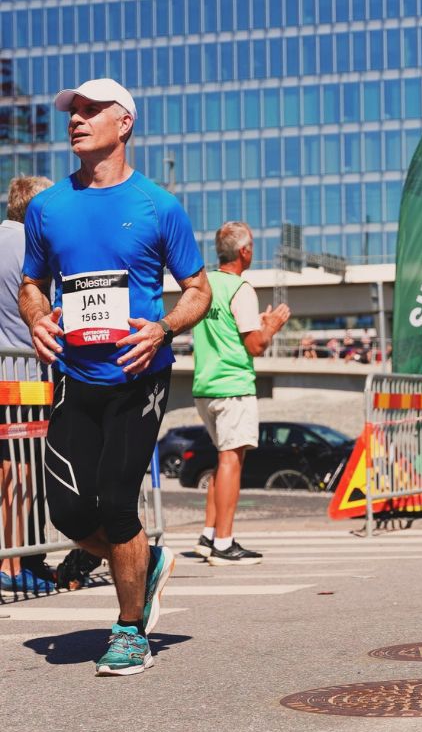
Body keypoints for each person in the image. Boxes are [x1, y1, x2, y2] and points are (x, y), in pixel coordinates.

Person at [21, 77, 211, 675]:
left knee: (118, 503)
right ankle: (144, 563)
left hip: (139, 375)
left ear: (123, 123)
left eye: (90, 111)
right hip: (75, 378)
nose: (76, 120)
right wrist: (35, 319)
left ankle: (130, 630)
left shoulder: (158, 205)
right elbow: (32, 282)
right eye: (71, 112)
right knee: (70, 515)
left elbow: (199, 291)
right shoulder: (48, 207)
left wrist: (163, 328)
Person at [192, 222, 290, 566]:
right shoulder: (241, 288)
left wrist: (259, 325)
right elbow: (255, 344)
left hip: (205, 384)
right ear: (244, 252)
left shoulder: (204, 283)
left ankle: (208, 534)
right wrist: (271, 326)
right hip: (233, 384)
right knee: (232, 459)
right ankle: (224, 542)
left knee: (223, 459)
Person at [0, 175, 55, 595]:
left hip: (7, 371)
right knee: (20, 472)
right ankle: (14, 565)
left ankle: (25, 559)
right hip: (26, 379)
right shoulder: (32, 247)